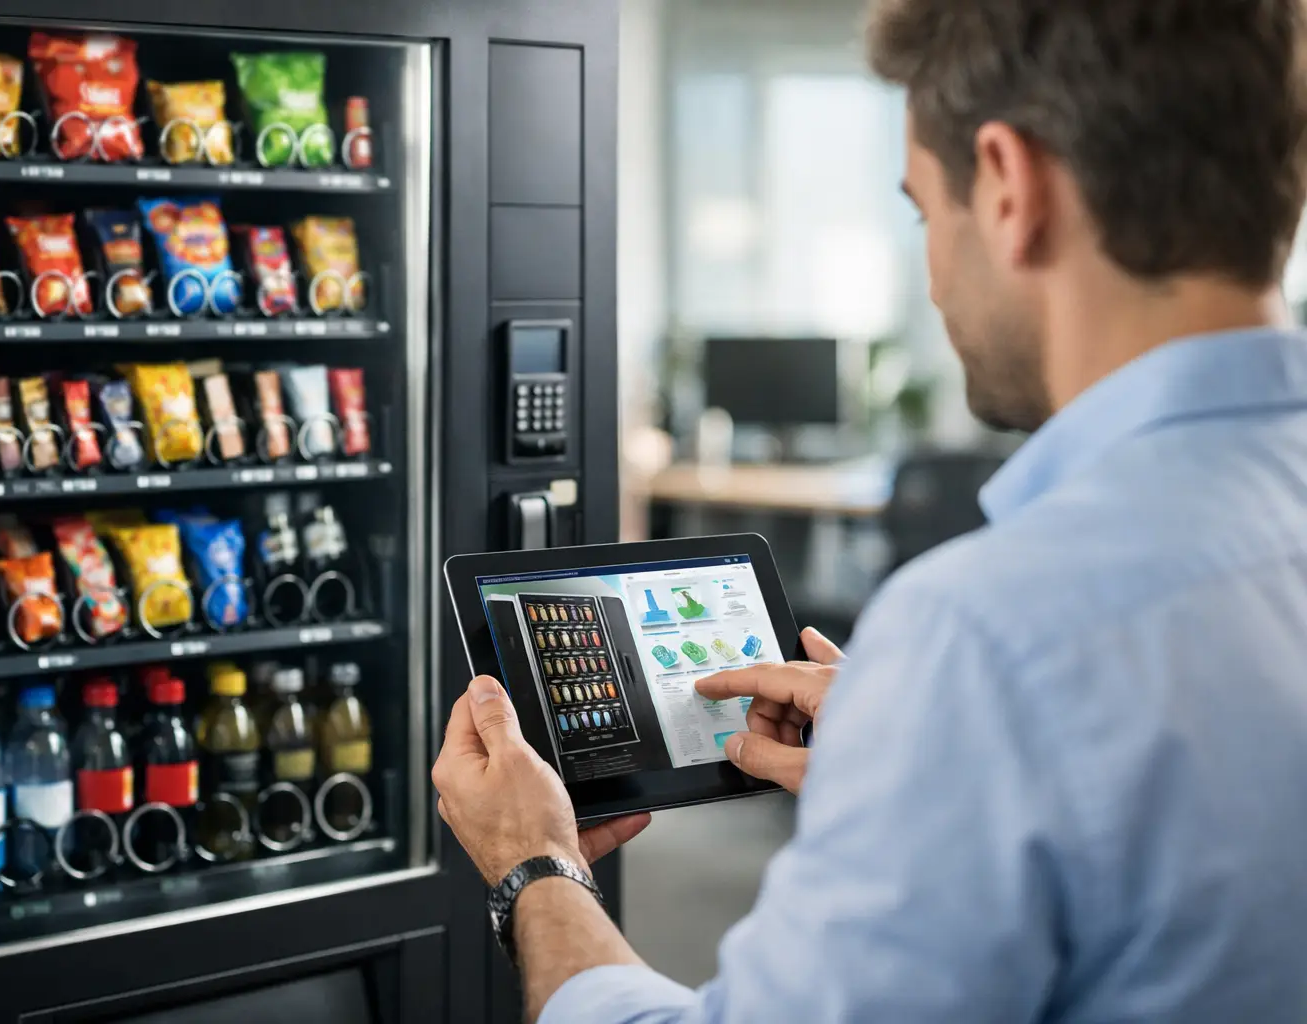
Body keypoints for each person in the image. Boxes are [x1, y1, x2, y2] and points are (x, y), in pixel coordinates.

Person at [432, 0, 1307, 1021]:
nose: (933, 273)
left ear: (1010, 186)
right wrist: (919, 759)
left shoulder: (988, 641)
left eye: (925, 212)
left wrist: (533, 866)